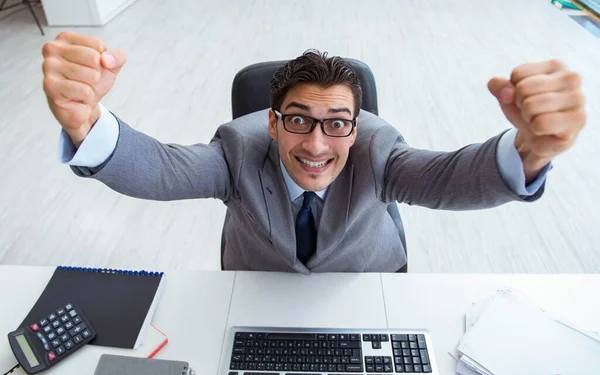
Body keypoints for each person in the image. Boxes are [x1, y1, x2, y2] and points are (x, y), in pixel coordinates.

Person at [41, 32, 586, 274]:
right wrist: (86, 122)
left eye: (337, 124)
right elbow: (160, 171)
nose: (318, 144)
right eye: (299, 120)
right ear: (273, 124)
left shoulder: (376, 149)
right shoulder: (239, 149)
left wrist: (530, 149)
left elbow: (449, 179)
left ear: (357, 126)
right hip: (258, 284)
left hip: (366, 282)